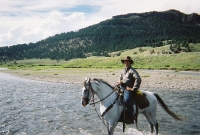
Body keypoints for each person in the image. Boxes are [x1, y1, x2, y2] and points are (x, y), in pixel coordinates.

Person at [118, 56, 141, 124]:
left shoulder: (132, 71)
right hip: (121, 87)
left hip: (128, 88)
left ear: (130, 62)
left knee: (127, 99)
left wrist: (133, 89)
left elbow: (138, 79)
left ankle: (131, 117)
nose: (126, 63)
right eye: (125, 61)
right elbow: (120, 79)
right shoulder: (122, 71)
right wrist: (119, 82)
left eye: (128, 61)